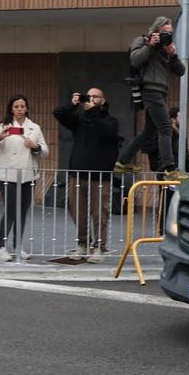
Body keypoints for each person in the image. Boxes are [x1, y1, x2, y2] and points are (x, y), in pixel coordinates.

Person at [112, 17, 186, 179]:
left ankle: (123, 162)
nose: (167, 36)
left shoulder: (167, 49)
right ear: (155, 31)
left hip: (160, 92)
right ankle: (169, 169)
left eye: (170, 33)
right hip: (150, 90)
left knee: (149, 131)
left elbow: (181, 71)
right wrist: (150, 45)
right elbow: (135, 60)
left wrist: (173, 55)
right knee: (166, 128)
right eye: (164, 33)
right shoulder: (143, 40)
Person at [53, 87, 119, 263]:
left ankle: (99, 247)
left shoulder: (110, 121)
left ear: (103, 100)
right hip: (77, 173)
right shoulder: (80, 120)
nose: (91, 99)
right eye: (88, 97)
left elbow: (106, 132)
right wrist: (71, 104)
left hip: (100, 175)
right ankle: (82, 244)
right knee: (78, 212)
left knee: (99, 213)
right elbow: (58, 114)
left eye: (95, 96)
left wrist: (93, 112)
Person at [0, 95, 48, 262]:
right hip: (7, 176)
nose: (19, 109)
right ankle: (1, 247)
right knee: (11, 211)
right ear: (11, 109)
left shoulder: (35, 127)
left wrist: (36, 147)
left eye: (22, 106)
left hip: (28, 175)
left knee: (22, 212)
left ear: (26, 108)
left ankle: (18, 246)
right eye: (16, 106)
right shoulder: (3, 126)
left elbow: (45, 151)